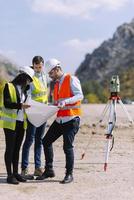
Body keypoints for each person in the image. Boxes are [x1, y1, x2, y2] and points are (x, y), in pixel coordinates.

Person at [37, 58, 84, 183]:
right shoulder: (57, 84)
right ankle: (49, 170)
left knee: (67, 147)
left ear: (57, 69)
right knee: (46, 141)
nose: (50, 76)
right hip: (60, 120)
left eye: (51, 73)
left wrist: (66, 101)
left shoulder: (71, 79)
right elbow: (58, 102)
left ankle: (69, 174)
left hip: (71, 119)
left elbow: (80, 95)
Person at [0, 66, 34, 184]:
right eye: (28, 79)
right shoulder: (8, 86)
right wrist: (21, 106)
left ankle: (15, 173)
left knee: (17, 149)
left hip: (21, 123)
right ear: (23, 76)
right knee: (10, 149)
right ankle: (9, 175)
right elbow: (7, 103)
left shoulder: (24, 89)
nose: (29, 82)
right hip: (10, 123)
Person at [21, 56, 48, 177]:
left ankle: (38, 168)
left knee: (39, 141)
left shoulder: (45, 76)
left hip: (43, 112)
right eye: (36, 67)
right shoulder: (30, 76)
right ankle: (24, 168)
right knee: (29, 140)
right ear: (33, 65)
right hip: (33, 112)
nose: (38, 69)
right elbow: (27, 94)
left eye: (40, 67)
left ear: (43, 65)